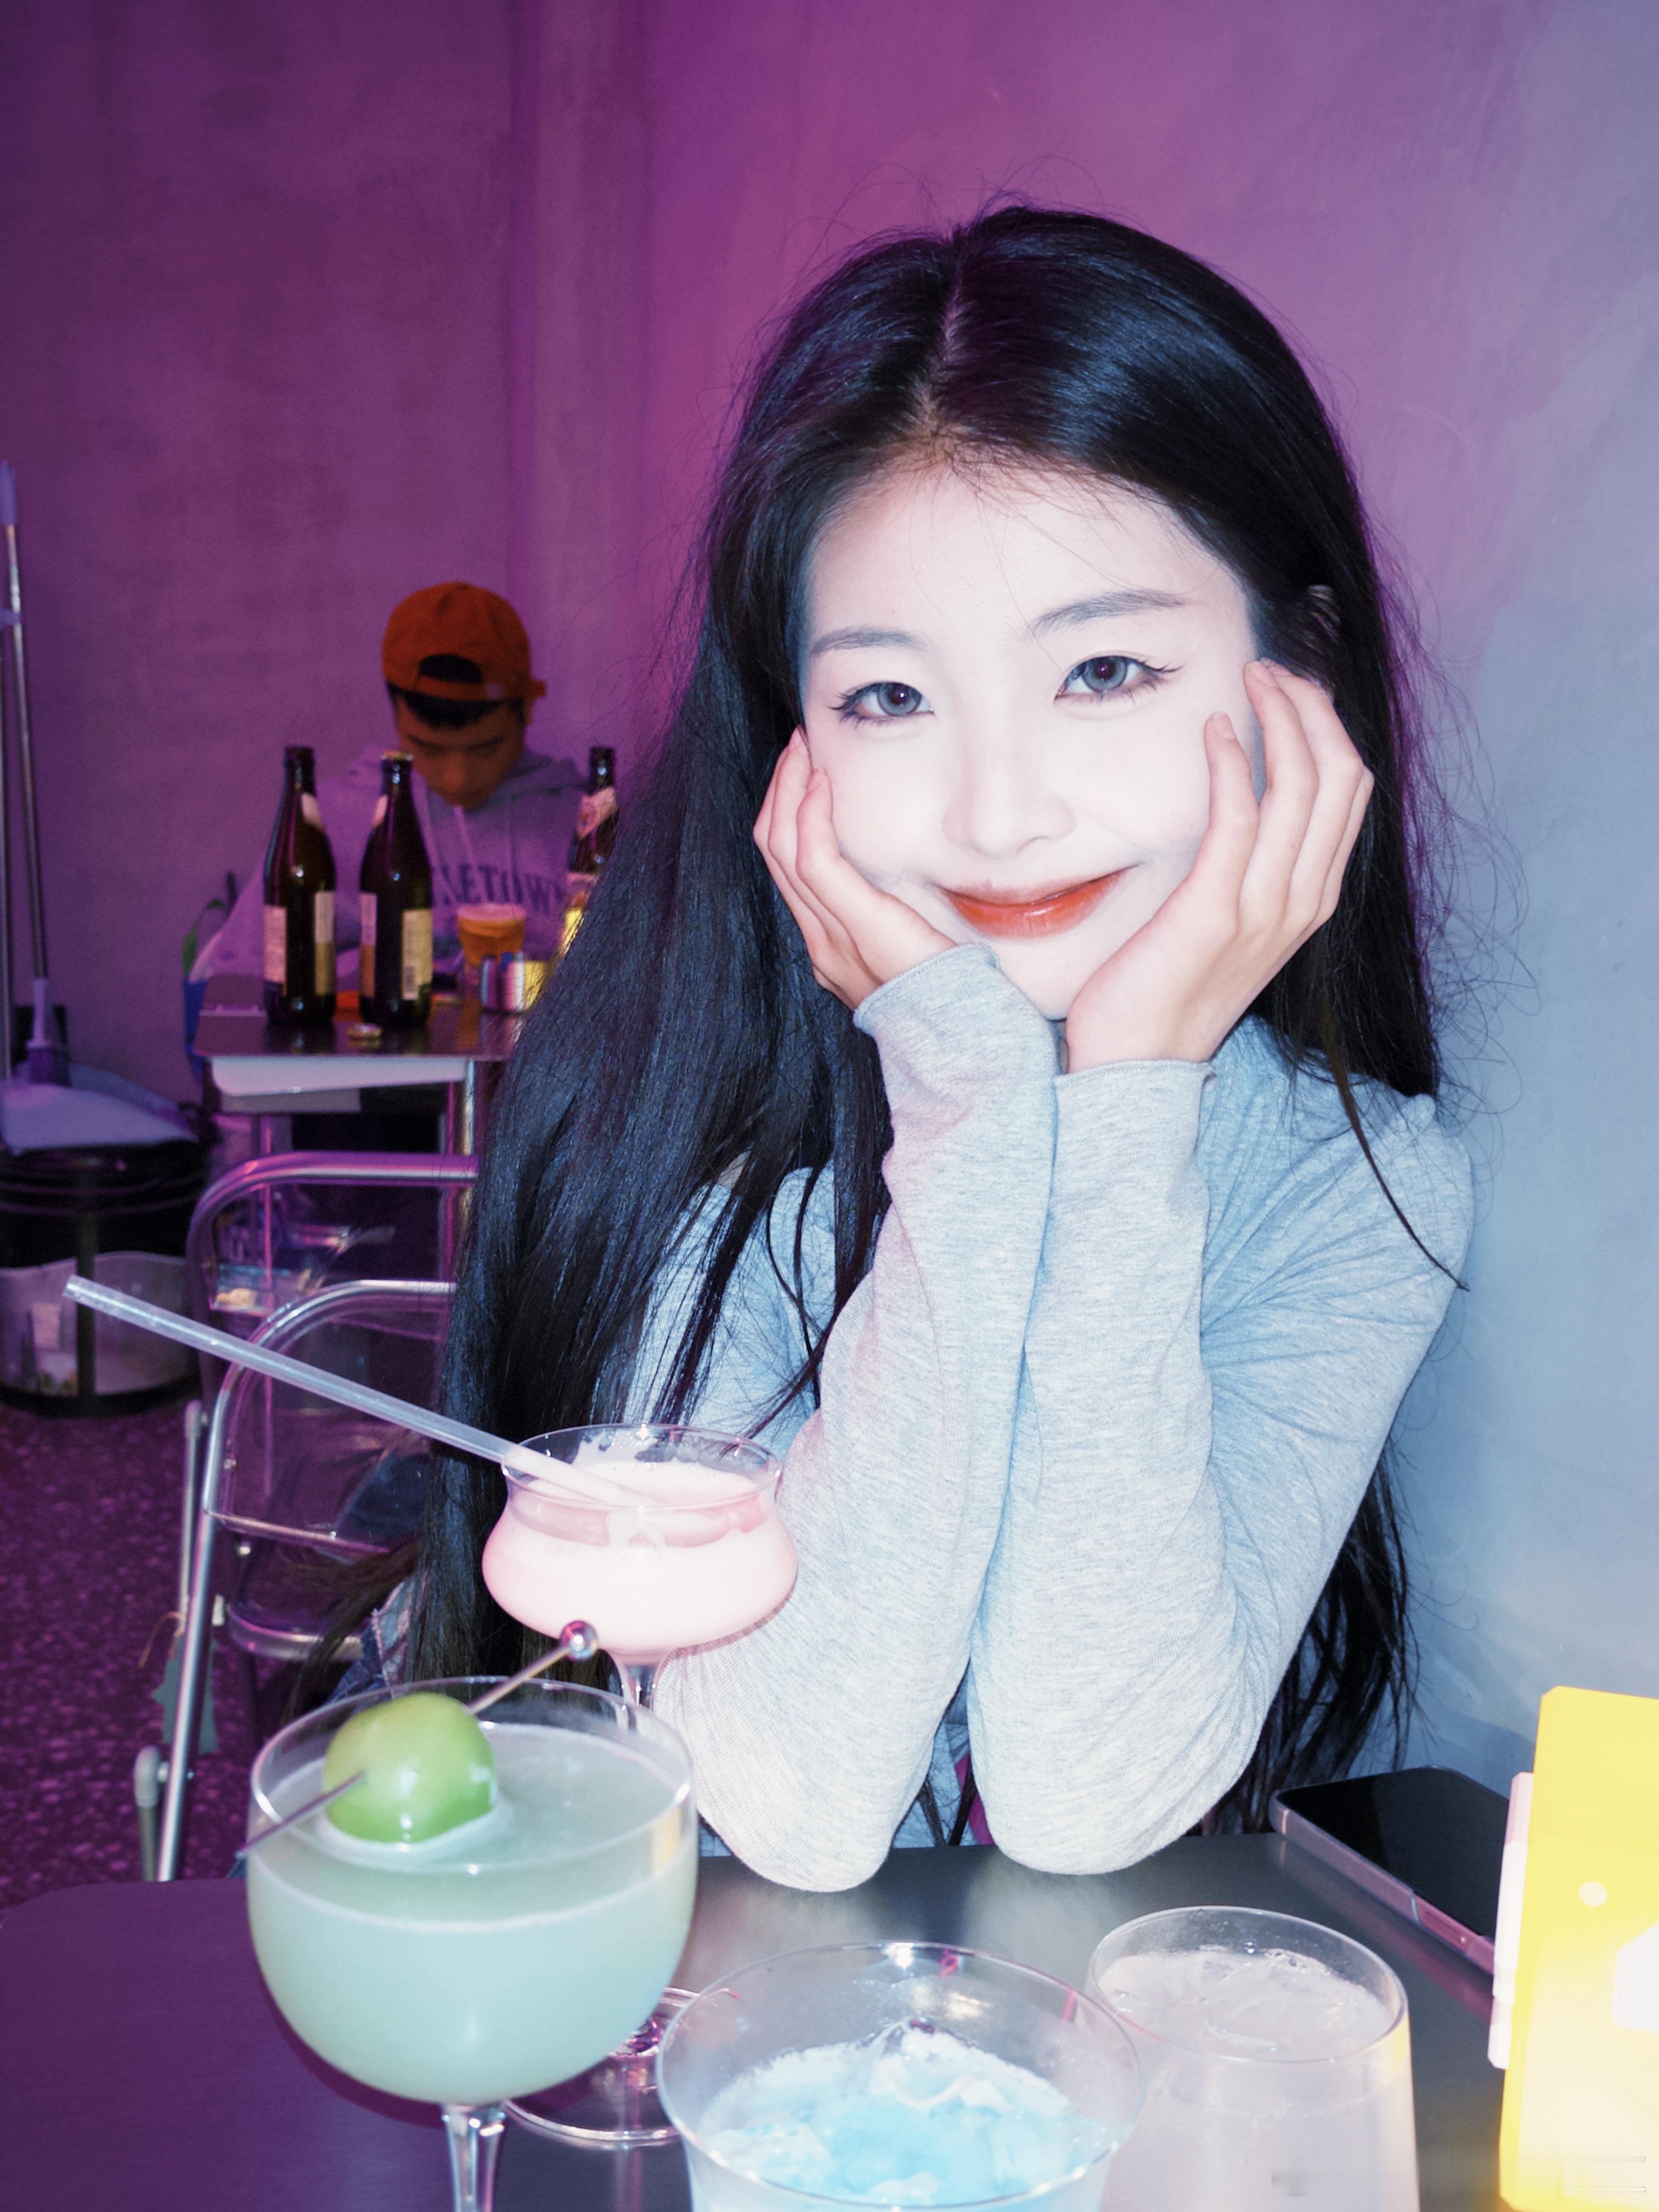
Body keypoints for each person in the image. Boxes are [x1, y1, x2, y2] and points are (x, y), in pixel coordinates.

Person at [382, 207, 1474, 1891]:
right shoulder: (724, 1121)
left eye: (1104, 669)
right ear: (794, 741)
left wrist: (1129, 1092)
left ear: (1300, 673)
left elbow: (1089, 1789)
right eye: (889, 697)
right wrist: (970, 1103)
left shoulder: (1354, 1180)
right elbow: (789, 1797)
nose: (996, 813)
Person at [200, 582, 584, 980]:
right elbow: (237, 974)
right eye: (430, 750)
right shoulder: (330, 821)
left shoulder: (580, 822)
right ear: (396, 714)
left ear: (528, 709)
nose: (458, 778)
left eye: (486, 749)